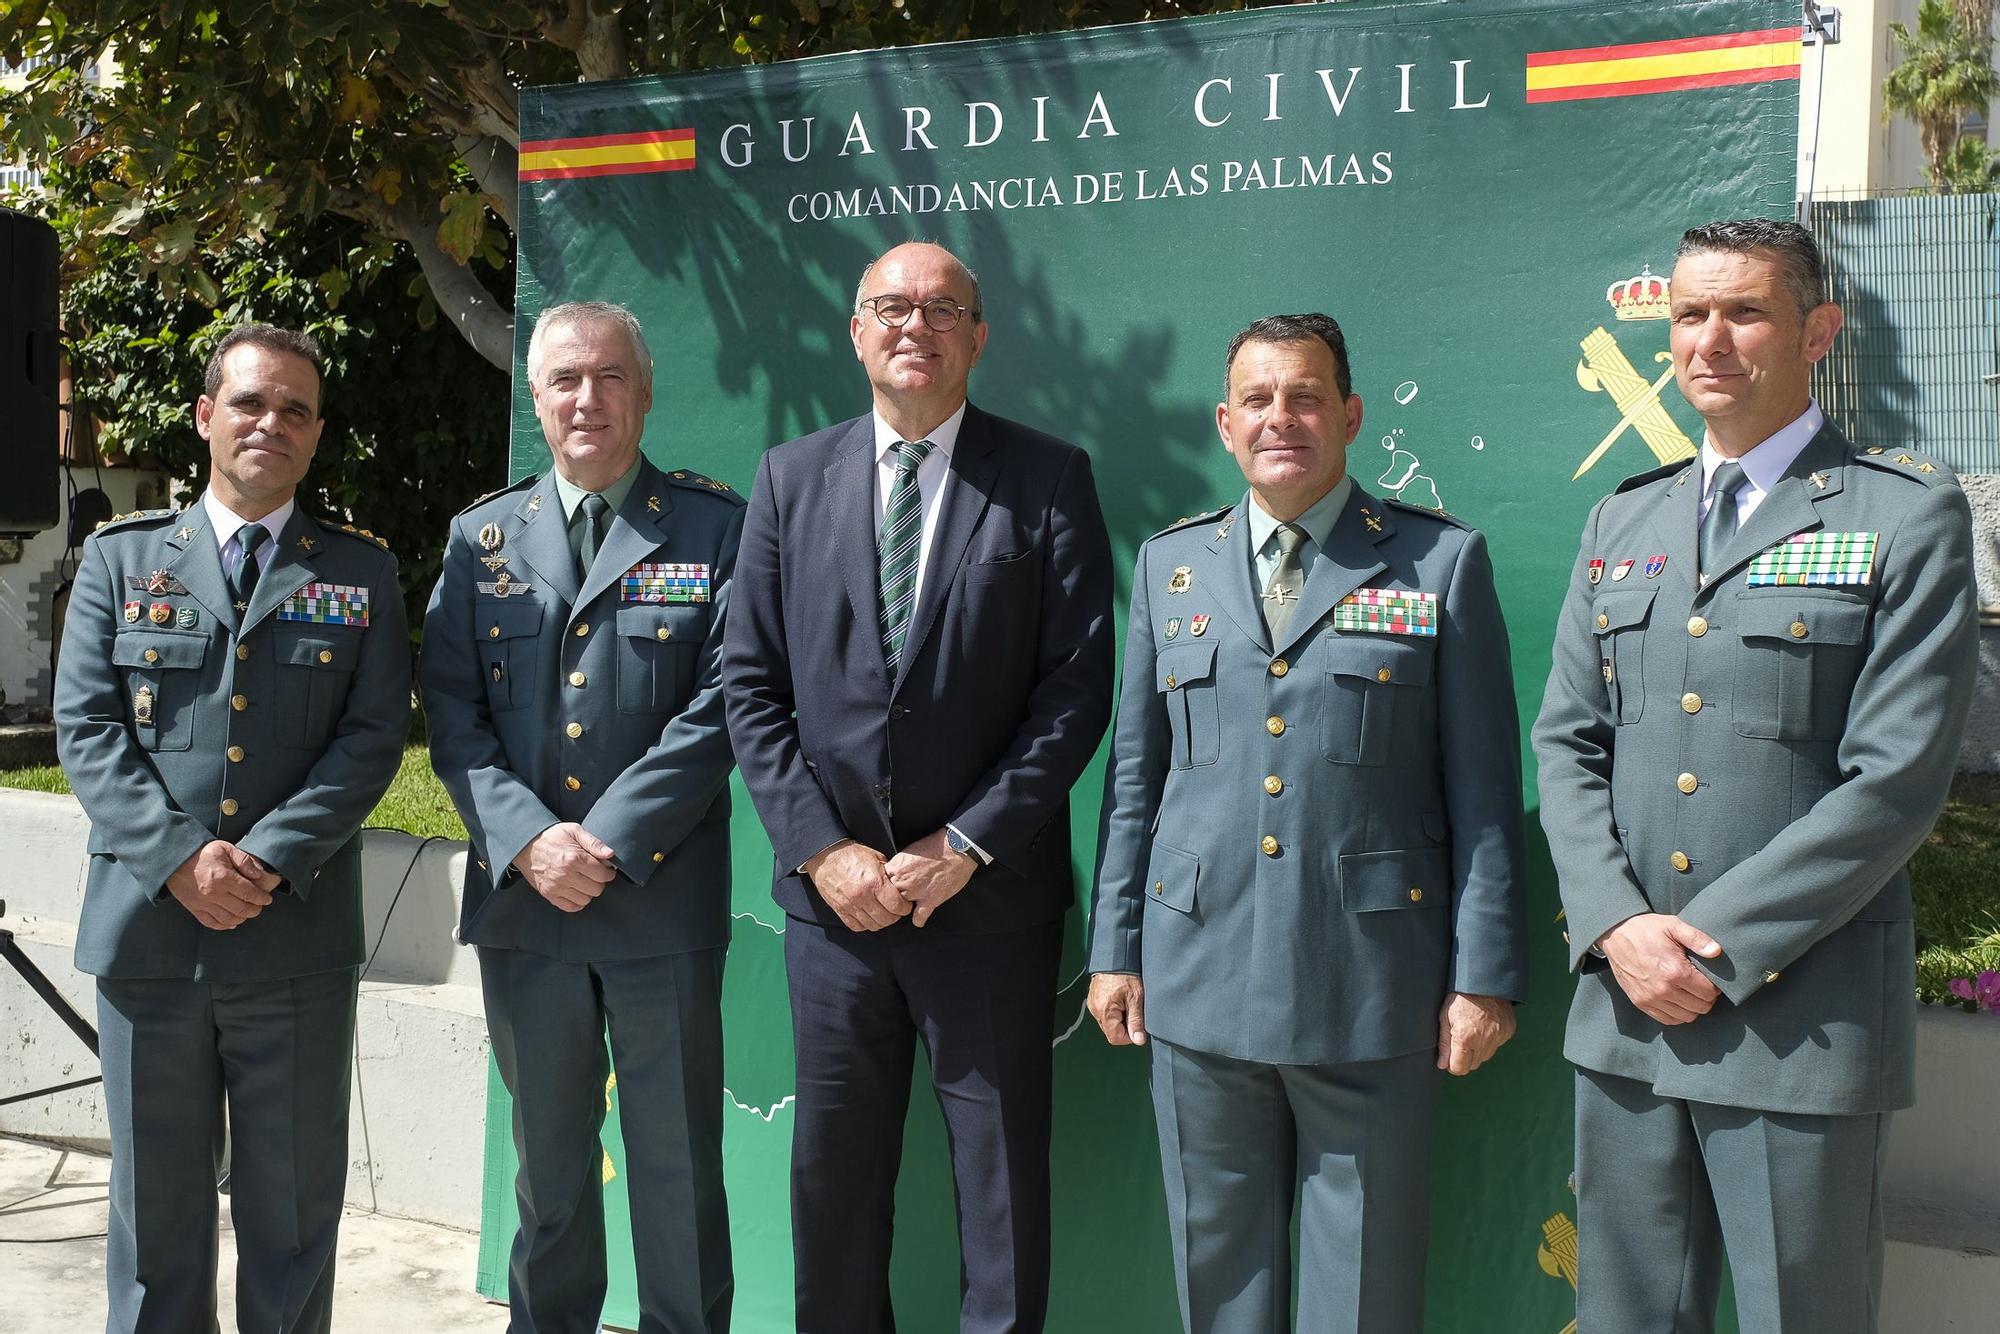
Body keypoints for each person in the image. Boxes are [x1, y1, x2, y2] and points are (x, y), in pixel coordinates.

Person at [1533, 218, 1979, 1334]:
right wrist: (1617, 925)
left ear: (1816, 331)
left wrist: (1711, 944)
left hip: (1797, 1020)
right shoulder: (1620, 518)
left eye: (1743, 312)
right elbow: (1565, 741)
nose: (1709, 340)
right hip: (1626, 1012)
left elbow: (1894, 778)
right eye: (1689, 314)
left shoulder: (1899, 512)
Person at [1086, 312, 1527, 1334]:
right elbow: (1135, 777)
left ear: (1348, 414)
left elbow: (1481, 789)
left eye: (1305, 395)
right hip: (1196, 976)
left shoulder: (1435, 564)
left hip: (1369, 982)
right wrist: (1114, 947)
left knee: (1362, 1286)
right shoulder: (1170, 567)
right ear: (1224, 422)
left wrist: (1483, 972)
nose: (1280, 416)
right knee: (1217, 1271)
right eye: (1258, 398)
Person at [721, 241, 1114, 1333]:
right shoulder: (788, 479)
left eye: (942, 308)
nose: (914, 325)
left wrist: (967, 842)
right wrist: (823, 850)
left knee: (997, 1192)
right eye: (889, 306)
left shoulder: (1045, 478)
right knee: (832, 1189)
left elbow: (1075, 692)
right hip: (832, 913)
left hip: (984, 904)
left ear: (977, 338)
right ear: (855, 333)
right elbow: (748, 688)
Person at [54, 323, 409, 1333]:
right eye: (250, 402)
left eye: (295, 409)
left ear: (317, 435)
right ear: (207, 415)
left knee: (292, 1212)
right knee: (155, 1211)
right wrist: (179, 861)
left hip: (290, 941)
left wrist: (263, 859)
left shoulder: (360, 572)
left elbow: (374, 736)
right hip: (147, 938)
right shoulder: (122, 561)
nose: (272, 423)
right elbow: (85, 726)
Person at [421, 301, 743, 1333]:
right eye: (564, 378)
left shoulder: (713, 528)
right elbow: (454, 713)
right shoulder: (480, 539)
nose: (586, 397)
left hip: (656, 896)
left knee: (676, 1169)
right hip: (528, 907)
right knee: (548, 1172)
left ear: (645, 392)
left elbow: (726, 701)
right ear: (536, 396)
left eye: (609, 376)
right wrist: (528, 840)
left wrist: (601, 839)